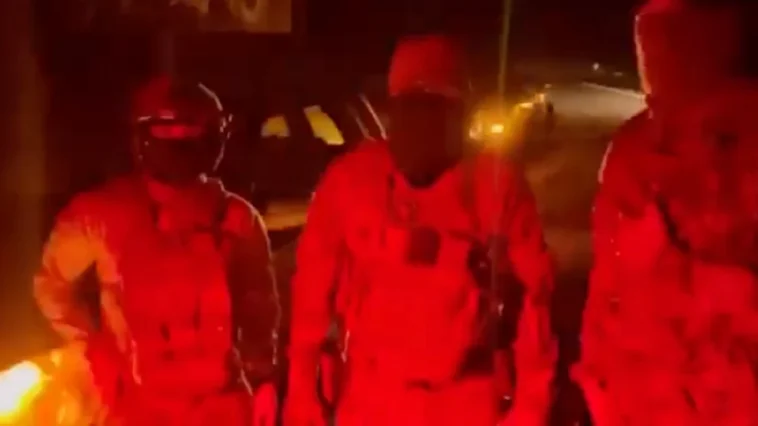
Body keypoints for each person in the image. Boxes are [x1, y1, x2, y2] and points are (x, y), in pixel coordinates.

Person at [284, 34, 556, 426]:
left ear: (459, 113)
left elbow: (535, 306)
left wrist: (529, 410)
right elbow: (311, 298)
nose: (424, 122)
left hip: (466, 401)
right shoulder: (352, 182)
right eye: (413, 105)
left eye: (437, 106)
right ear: (394, 109)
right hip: (373, 399)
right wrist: (302, 398)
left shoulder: (496, 187)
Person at [33, 76, 280, 426]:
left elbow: (259, 309)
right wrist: (91, 348)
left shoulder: (236, 220)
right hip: (136, 406)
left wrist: (263, 379)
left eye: (191, 131)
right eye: (169, 131)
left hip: (217, 406)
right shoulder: (101, 216)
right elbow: (52, 286)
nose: (181, 141)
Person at [574, 0, 758, 424]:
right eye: (650, 36)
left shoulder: (745, 144)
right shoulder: (631, 150)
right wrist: (598, 387)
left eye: (673, 36)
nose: (656, 54)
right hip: (641, 403)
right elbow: (606, 286)